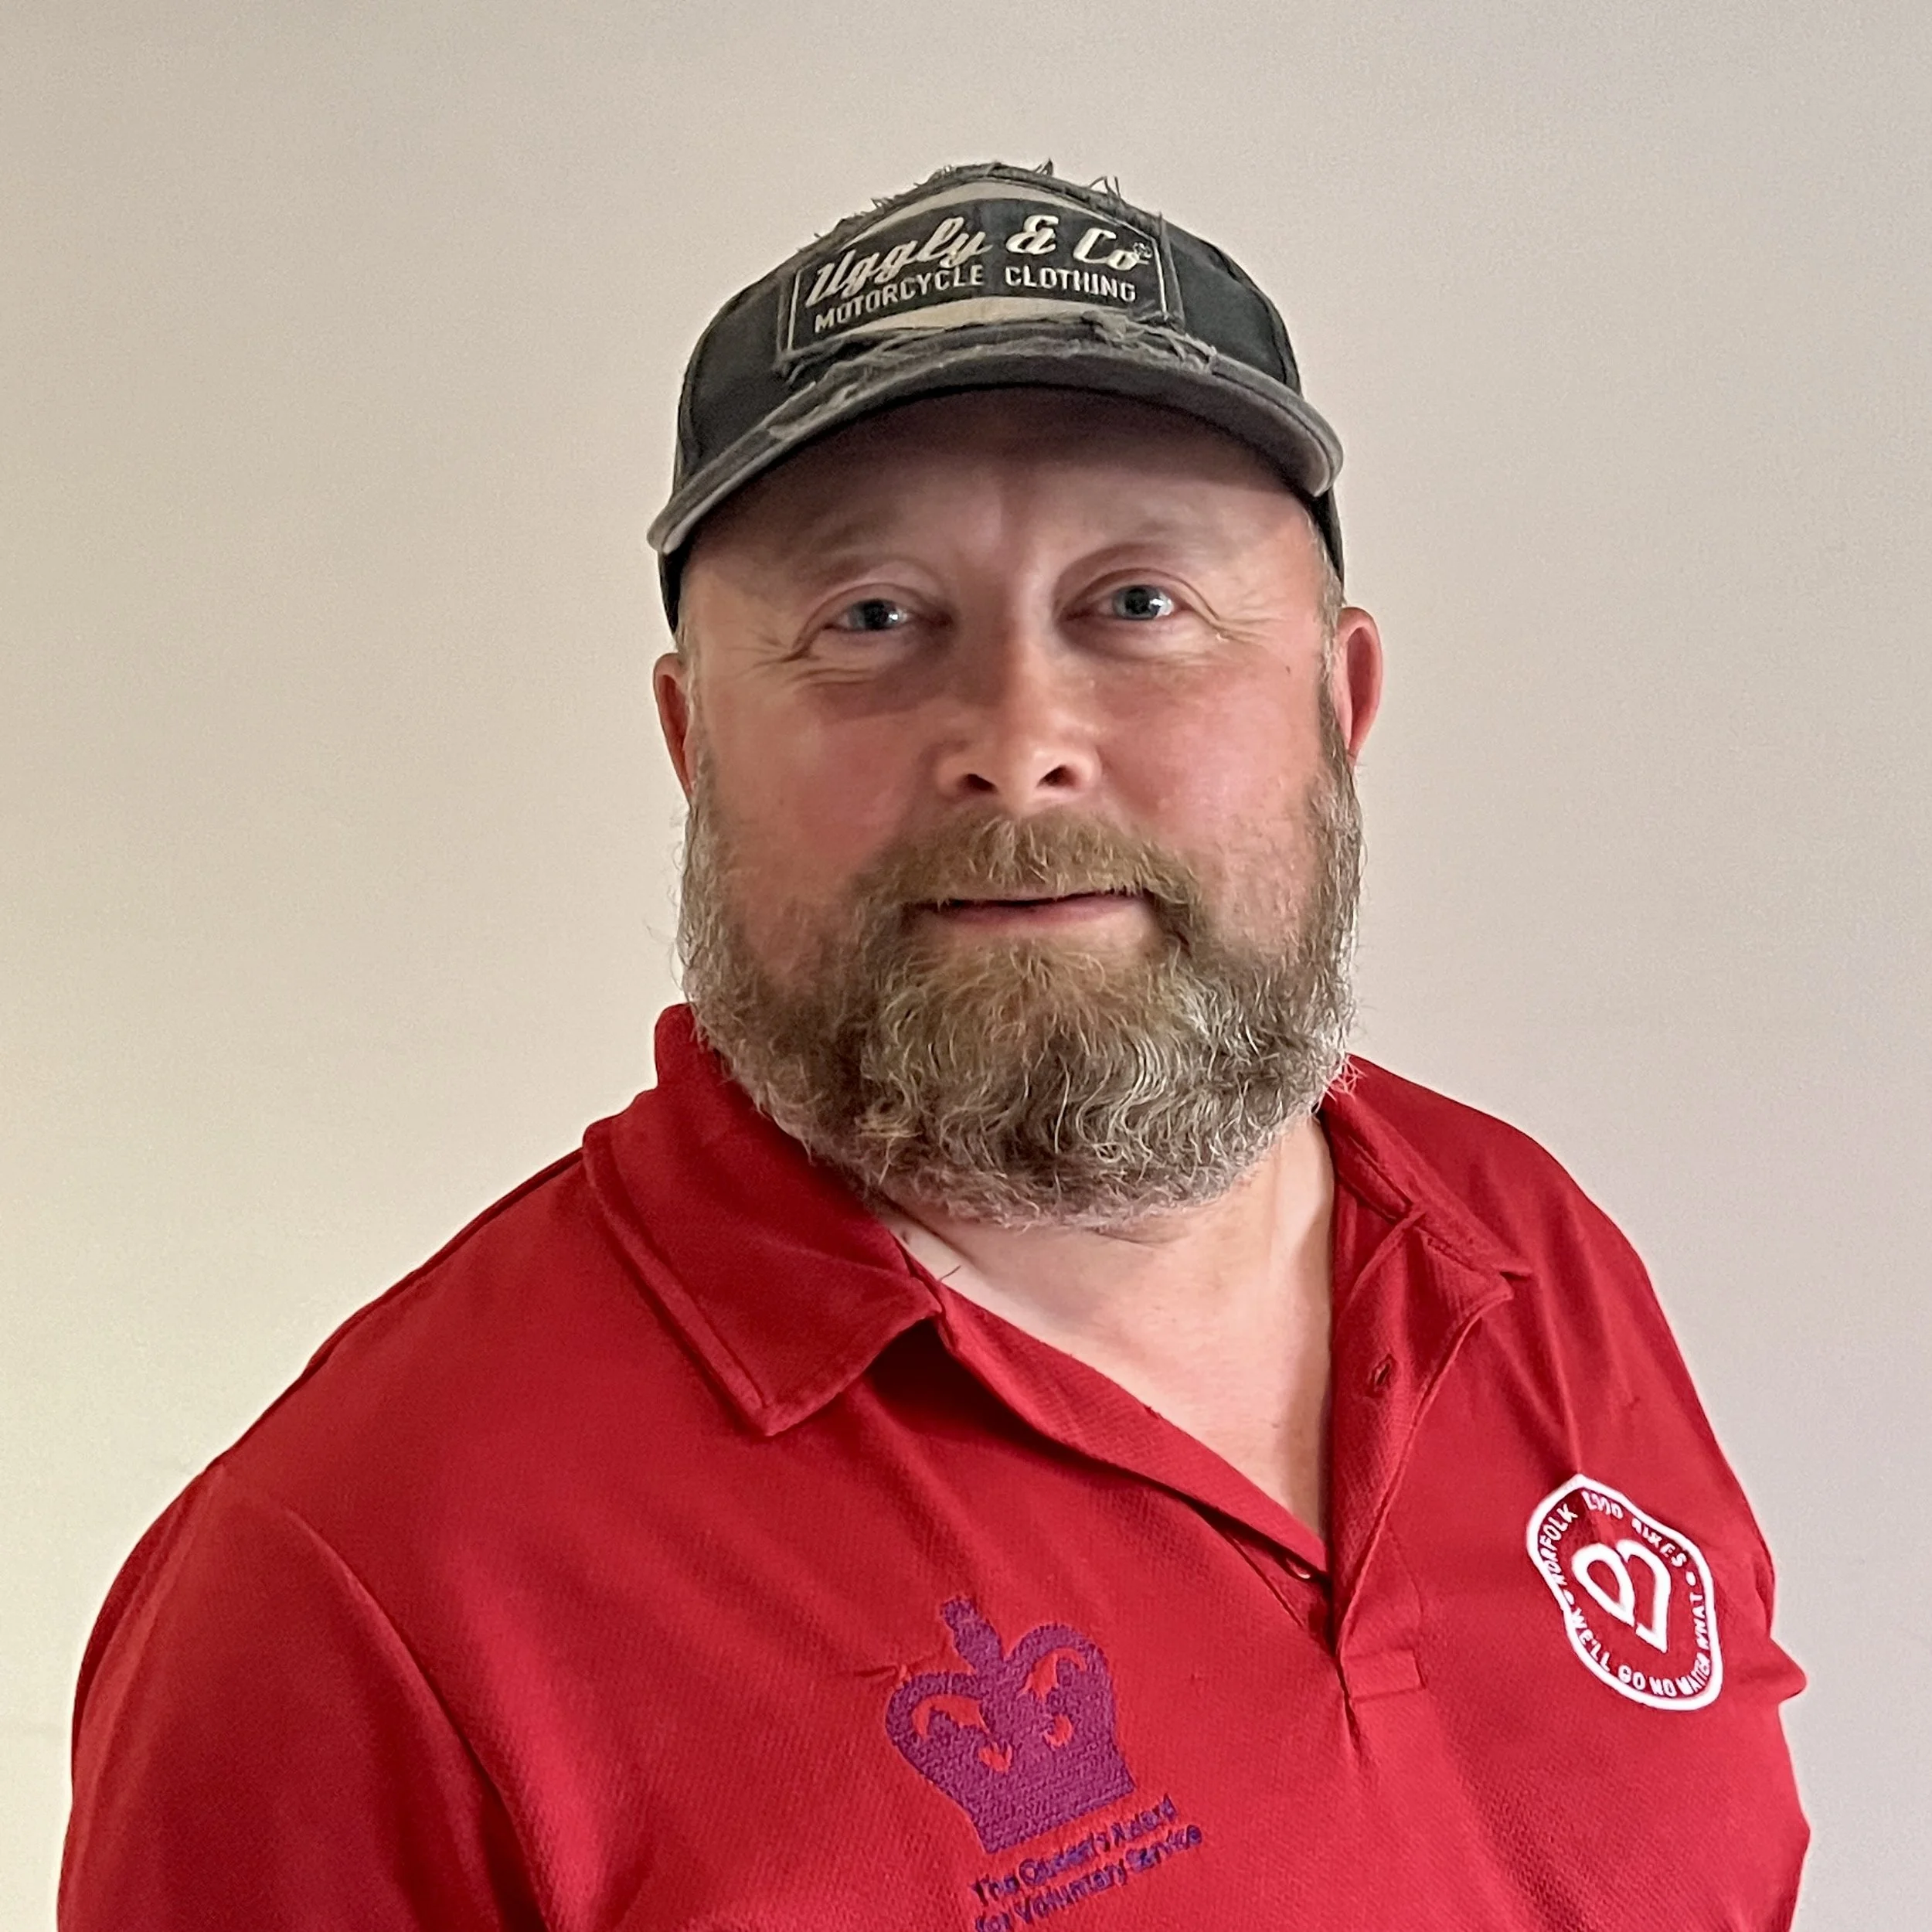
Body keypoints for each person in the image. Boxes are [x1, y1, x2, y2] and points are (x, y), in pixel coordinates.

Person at [60, 162, 1808, 1930]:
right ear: (693, 745)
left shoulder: (1520, 1245)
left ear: (1336, 707)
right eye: (871, 618)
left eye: (1139, 603)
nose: (1018, 738)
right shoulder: (358, 1583)